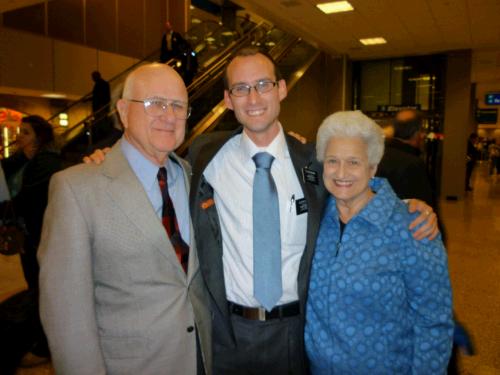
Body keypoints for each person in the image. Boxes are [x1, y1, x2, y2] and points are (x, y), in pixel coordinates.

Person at [85, 48, 438, 374]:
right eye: (240, 88)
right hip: (226, 332)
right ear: (227, 99)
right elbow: (152, 162)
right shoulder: (205, 156)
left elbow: (352, 190)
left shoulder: (312, 162)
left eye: (263, 85)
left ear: (282, 89)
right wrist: (111, 159)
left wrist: (404, 206)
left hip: (297, 333)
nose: (253, 98)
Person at [38, 63, 211, 375]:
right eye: (154, 103)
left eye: (178, 106)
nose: (168, 115)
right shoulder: (77, 188)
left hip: (199, 360)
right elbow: (66, 315)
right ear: (122, 110)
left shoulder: (193, 177)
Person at [305, 110, 454, 374]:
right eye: (332, 161)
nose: (341, 173)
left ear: (373, 166)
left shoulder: (411, 227)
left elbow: (434, 322)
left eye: (354, 162)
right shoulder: (315, 219)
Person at [0, 115, 62, 368]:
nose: (19, 136)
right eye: (19, 131)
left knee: (42, 289)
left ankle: (45, 343)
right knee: (33, 285)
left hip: (40, 234)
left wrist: (5, 209)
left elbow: (30, 198)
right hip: (27, 233)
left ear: (38, 136)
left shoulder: (47, 162)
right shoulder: (24, 159)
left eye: (25, 132)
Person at [377, 109, 435, 207]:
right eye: (422, 130)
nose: (424, 135)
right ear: (416, 133)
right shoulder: (413, 164)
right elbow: (424, 205)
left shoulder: (378, 155)